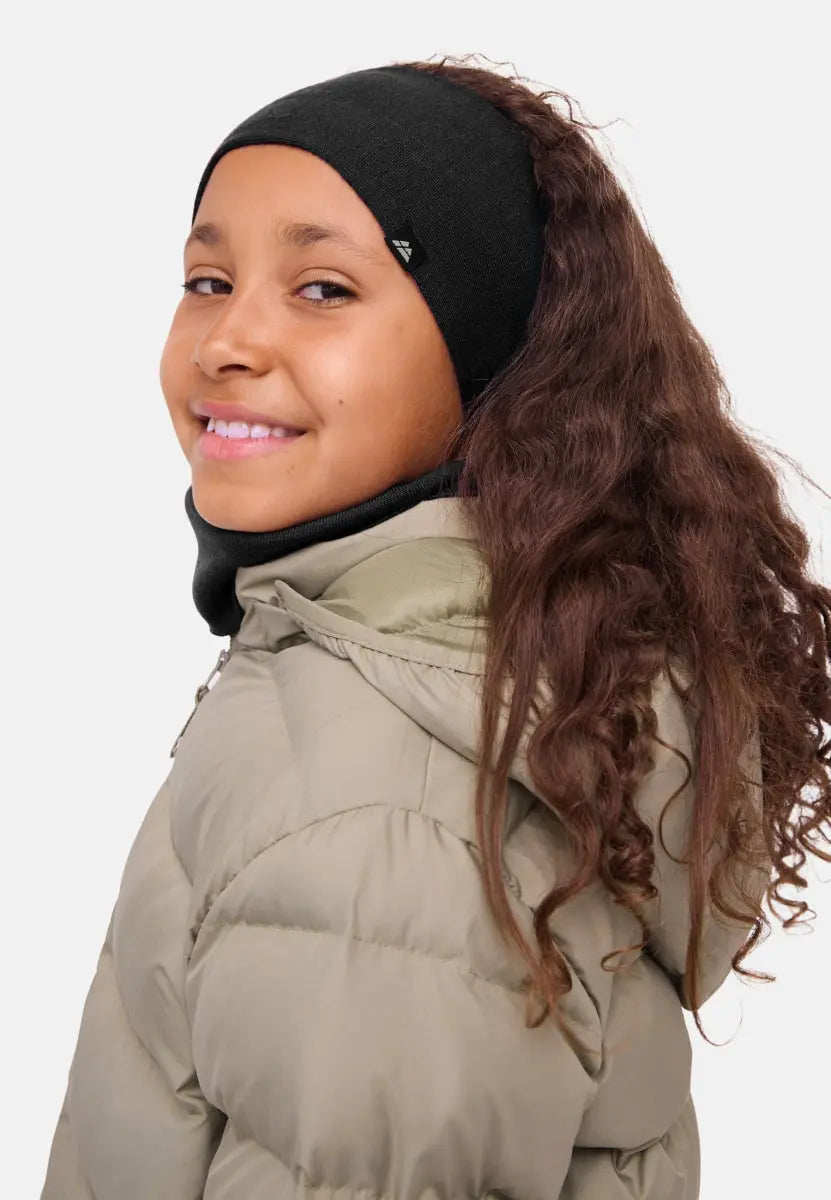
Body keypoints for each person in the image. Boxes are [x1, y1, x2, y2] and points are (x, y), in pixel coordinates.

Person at [40, 56, 831, 1200]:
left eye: (323, 289)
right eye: (207, 278)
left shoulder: (378, 809)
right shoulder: (484, 673)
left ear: (490, 362)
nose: (226, 341)